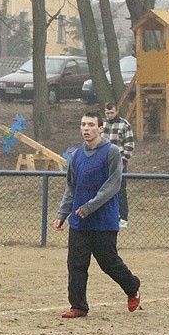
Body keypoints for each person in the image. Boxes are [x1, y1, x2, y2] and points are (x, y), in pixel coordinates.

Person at [54, 111, 141, 318]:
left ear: (101, 128)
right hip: (79, 221)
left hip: (103, 220)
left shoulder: (111, 152)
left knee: (108, 262)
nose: (86, 128)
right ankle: (78, 306)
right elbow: (71, 188)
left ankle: (132, 286)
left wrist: (89, 207)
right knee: (76, 264)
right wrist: (62, 213)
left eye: (91, 125)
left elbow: (112, 186)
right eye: (83, 124)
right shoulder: (76, 155)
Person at [102, 102, 134, 228]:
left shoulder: (124, 125)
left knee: (120, 191)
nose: (110, 115)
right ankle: (107, 216)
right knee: (103, 191)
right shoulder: (102, 125)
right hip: (104, 164)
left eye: (112, 113)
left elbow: (129, 145)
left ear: (116, 112)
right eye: (107, 113)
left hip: (119, 163)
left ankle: (123, 217)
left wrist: (123, 161)